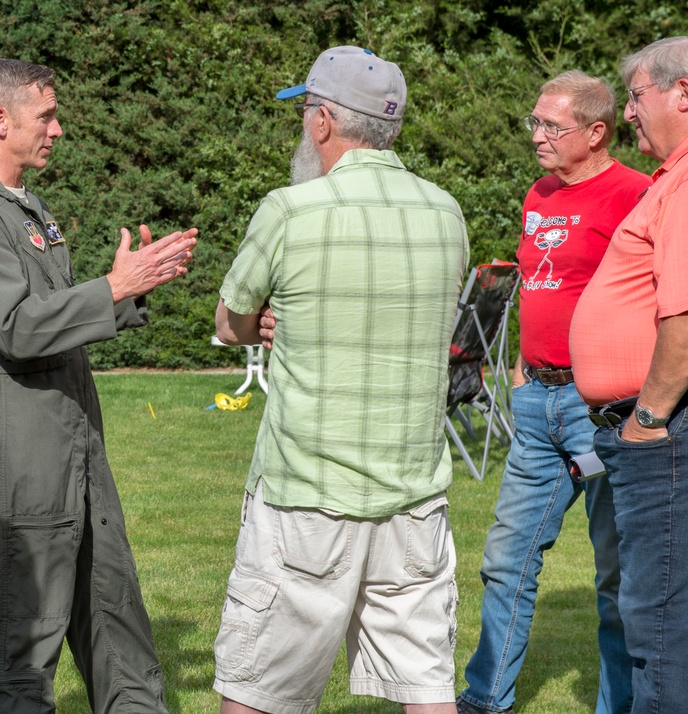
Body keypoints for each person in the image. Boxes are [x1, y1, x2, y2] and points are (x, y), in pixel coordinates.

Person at [0, 59, 197, 713]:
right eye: (46, 116)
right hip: (20, 425)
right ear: (0, 121)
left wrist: (127, 294)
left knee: (112, 606)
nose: (59, 129)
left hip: (71, 417)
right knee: (26, 625)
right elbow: (14, 327)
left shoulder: (28, 208)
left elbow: (52, 312)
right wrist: (112, 289)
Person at [212, 46, 469, 714]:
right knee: (426, 688)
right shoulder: (446, 212)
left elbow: (232, 320)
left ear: (324, 122)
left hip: (306, 496)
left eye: (306, 113)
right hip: (414, 497)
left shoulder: (290, 210)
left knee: (255, 687)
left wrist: (264, 321)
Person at [457, 71, 650, 714]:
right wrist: (518, 367)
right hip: (537, 402)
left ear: (596, 132)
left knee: (619, 576)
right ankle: (485, 699)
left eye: (551, 126)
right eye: (533, 122)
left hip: (604, 409)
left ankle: (619, 706)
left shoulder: (636, 194)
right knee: (506, 558)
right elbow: (536, 289)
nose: (537, 136)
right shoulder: (538, 194)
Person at [570, 36, 688, 714]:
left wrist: (648, 417)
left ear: (683, 93)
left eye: (636, 96)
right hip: (654, 428)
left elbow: (684, 313)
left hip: (661, 434)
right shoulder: (670, 178)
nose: (628, 113)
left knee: (659, 622)